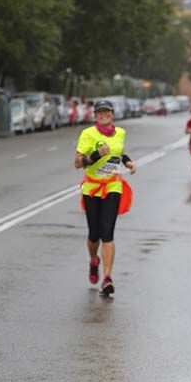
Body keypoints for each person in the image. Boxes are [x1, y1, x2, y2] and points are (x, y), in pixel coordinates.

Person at [74, 99, 136, 297]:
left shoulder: (120, 133)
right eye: (100, 112)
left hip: (113, 186)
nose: (103, 115)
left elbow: (120, 152)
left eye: (107, 112)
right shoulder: (88, 134)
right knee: (94, 233)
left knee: (107, 232)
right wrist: (94, 155)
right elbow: (77, 163)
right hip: (92, 188)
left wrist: (128, 162)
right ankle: (94, 260)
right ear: (95, 116)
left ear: (112, 114)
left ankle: (107, 278)